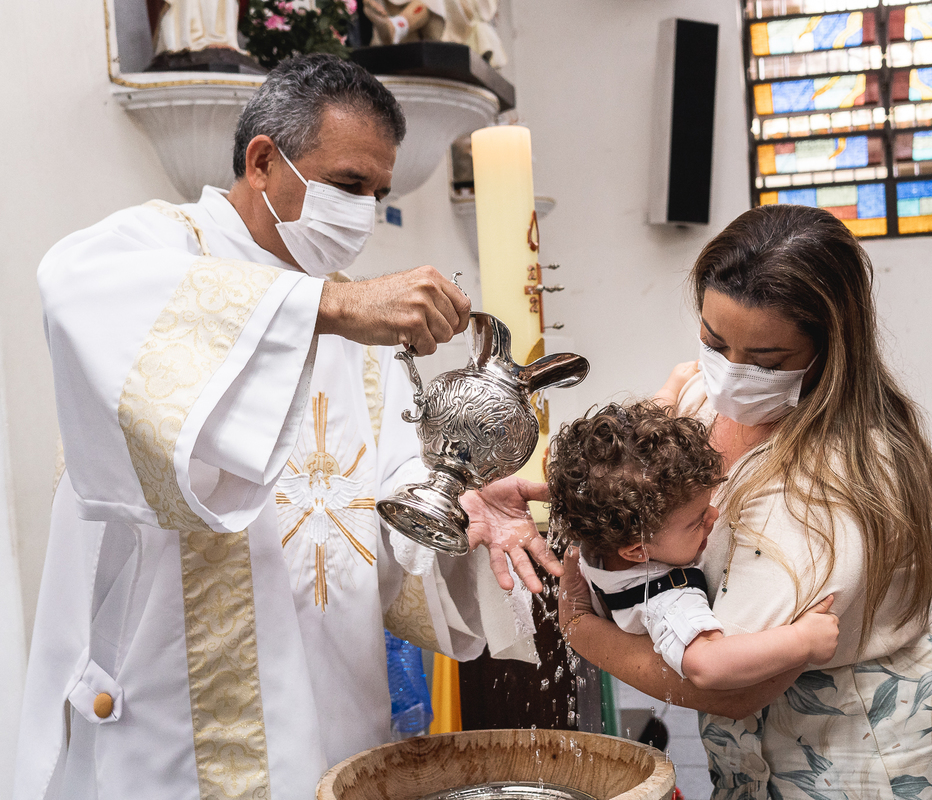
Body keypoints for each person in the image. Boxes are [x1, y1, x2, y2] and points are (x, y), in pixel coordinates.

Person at [13, 54, 560, 800]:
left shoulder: (361, 331)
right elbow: (70, 287)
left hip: (334, 704)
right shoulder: (158, 248)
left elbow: (390, 501)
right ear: (264, 161)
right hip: (169, 706)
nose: (364, 211)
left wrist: (456, 507)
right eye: (347, 185)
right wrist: (324, 310)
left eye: (378, 192)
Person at [558, 204, 932, 799]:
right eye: (714, 340)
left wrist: (581, 629)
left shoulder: (831, 478)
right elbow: (640, 485)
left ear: (830, 348)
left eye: (766, 360)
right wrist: (552, 492)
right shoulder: (711, 401)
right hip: (754, 750)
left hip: (853, 751)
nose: (730, 374)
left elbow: (730, 682)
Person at [546, 401, 840, 691]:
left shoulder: (597, 526)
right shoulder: (668, 602)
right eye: (697, 521)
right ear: (638, 551)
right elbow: (706, 666)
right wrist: (803, 641)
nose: (714, 514)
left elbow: (626, 456)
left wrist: (674, 384)